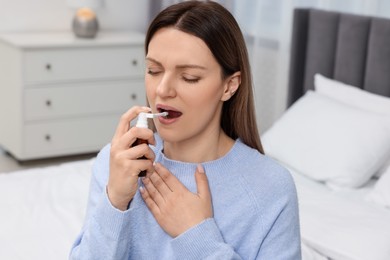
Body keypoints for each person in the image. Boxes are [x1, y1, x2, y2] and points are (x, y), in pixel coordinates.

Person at [70, 1, 301, 259]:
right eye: (153, 70)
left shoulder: (272, 189)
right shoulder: (116, 163)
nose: (162, 90)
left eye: (189, 77)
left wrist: (196, 235)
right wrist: (114, 201)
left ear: (229, 86)